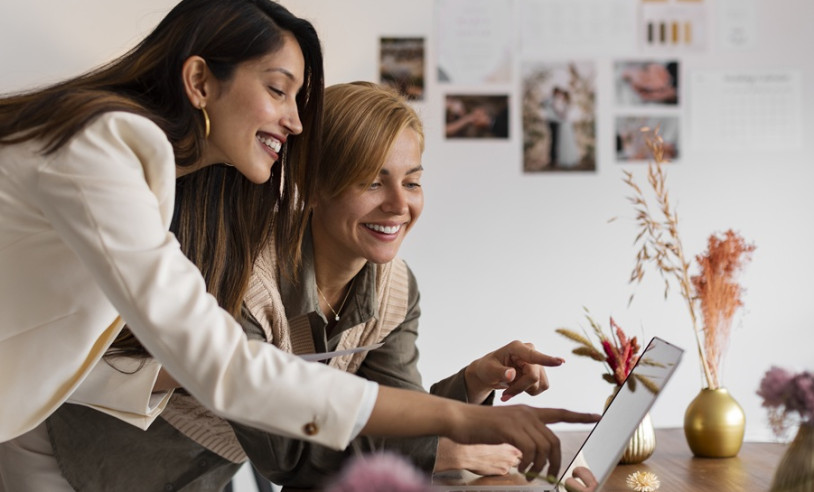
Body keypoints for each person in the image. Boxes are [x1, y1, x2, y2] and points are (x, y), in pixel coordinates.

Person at [0, 0, 599, 489]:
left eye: (413, 181)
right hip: (77, 456)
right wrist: (457, 425)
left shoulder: (175, 187)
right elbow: (236, 380)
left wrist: (467, 397)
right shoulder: (108, 152)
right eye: (278, 89)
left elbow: (379, 410)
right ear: (200, 81)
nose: (295, 121)